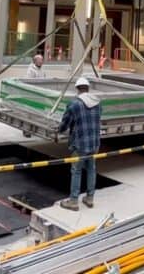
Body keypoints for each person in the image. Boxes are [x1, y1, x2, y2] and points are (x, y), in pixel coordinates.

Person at [58, 77, 102, 211]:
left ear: (77, 89)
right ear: (88, 88)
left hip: (80, 143)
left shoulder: (74, 104)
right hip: (94, 143)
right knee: (91, 169)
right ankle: (90, 198)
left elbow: (65, 125)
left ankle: (73, 201)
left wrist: (59, 129)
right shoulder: (98, 103)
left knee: (76, 171)